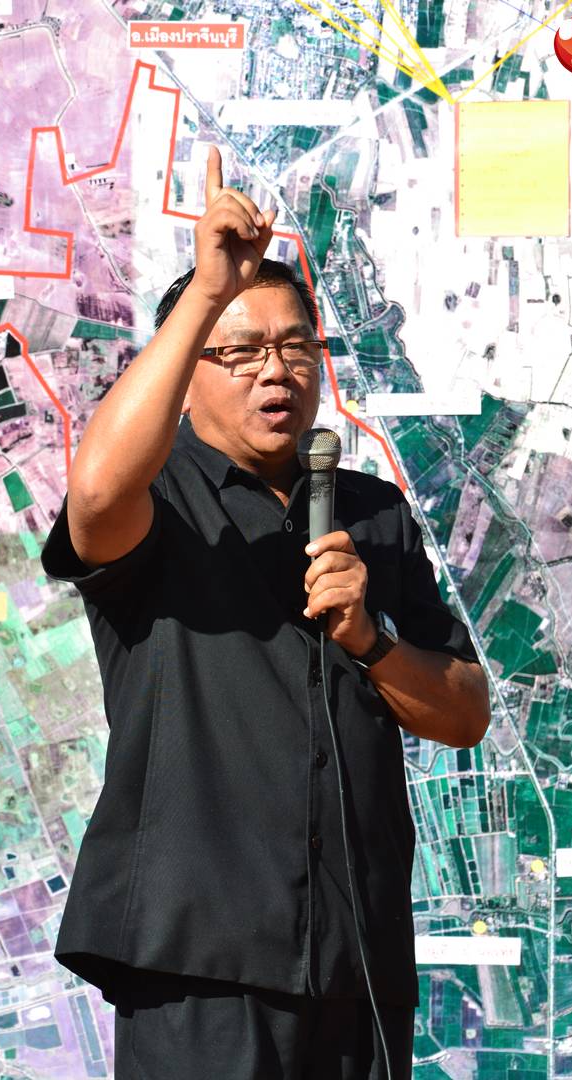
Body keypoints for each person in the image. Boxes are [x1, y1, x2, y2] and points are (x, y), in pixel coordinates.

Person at [40, 145, 491, 1079]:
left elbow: (464, 712)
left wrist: (371, 641)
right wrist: (208, 290)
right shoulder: (159, 500)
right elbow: (95, 494)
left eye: (294, 348)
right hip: (200, 967)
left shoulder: (370, 513)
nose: (275, 372)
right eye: (240, 352)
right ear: (190, 373)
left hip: (359, 967)